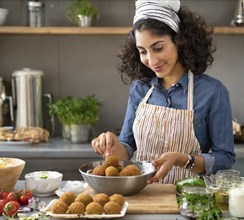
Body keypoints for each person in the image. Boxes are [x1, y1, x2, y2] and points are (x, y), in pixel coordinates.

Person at [91, 0, 235, 184]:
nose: (151, 61)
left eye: (158, 48)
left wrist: (183, 159)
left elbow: (225, 158)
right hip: (143, 194)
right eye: (142, 51)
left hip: (191, 199)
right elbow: (127, 148)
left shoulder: (213, 92)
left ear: (179, 40)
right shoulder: (140, 89)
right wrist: (111, 146)